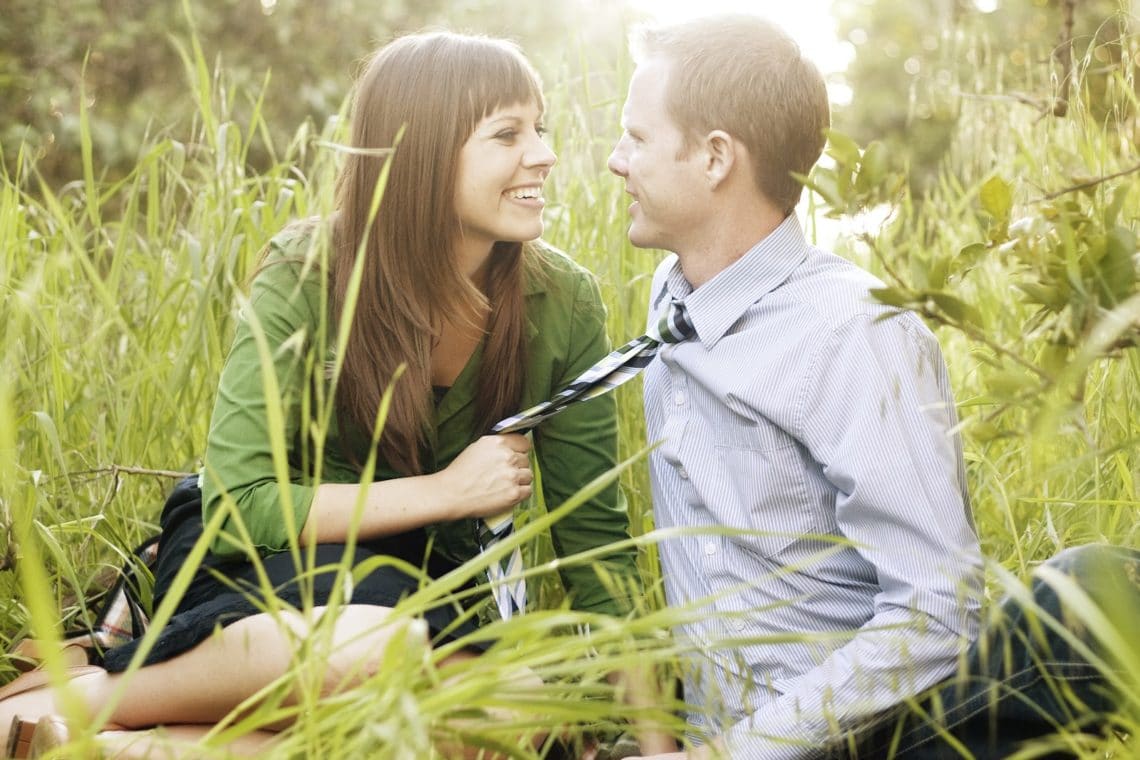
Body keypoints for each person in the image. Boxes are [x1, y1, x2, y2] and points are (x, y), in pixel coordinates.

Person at [0, 30, 642, 758]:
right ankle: (99, 699)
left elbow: (597, 545)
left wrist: (655, 744)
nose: (544, 154)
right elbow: (241, 505)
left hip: (430, 597)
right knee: (377, 648)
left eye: (541, 128)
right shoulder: (309, 272)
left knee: (528, 718)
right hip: (263, 569)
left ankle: (122, 747)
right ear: (423, 154)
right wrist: (448, 491)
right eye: (507, 134)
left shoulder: (562, 302)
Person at [606, 14, 1138, 760]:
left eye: (636, 138)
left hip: (862, 739)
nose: (614, 160)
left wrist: (740, 752)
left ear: (716, 158)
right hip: (710, 736)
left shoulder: (852, 332)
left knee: (1088, 587)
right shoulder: (672, 308)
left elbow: (933, 608)